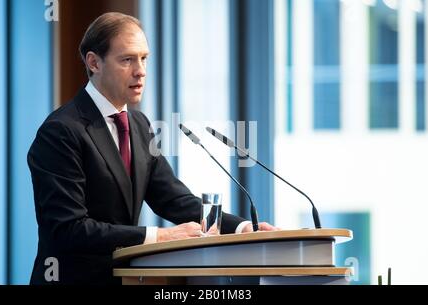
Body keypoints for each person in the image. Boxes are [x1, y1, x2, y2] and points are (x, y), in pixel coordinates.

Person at [27, 12, 276, 285]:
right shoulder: (61, 131)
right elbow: (68, 229)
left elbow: (173, 199)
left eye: (144, 58)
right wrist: (160, 236)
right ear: (94, 62)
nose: (141, 70)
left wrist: (242, 229)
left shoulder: (139, 124)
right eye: (127, 59)